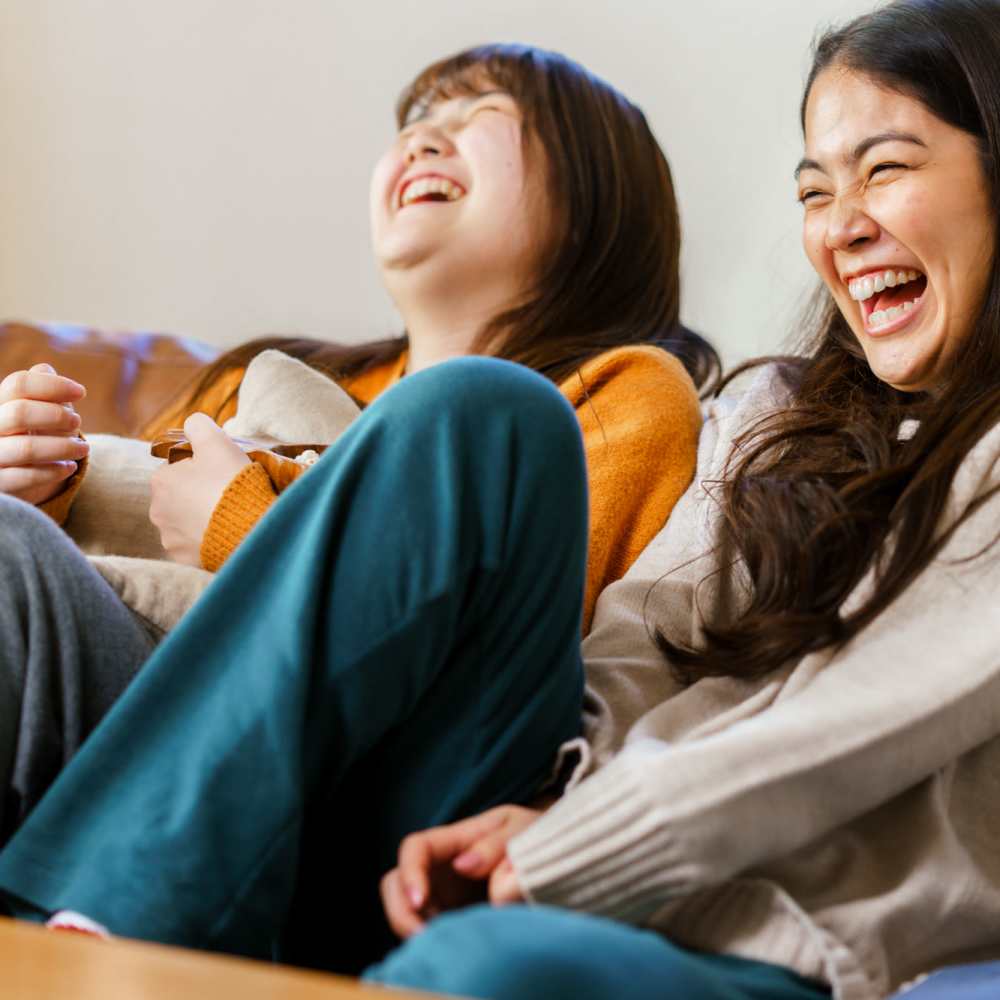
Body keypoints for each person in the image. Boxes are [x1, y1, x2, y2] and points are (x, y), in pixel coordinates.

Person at [5, 2, 998, 998]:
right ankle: (90, 921)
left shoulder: (620, 394)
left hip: (695, 900)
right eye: (814, 189)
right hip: (485, 801)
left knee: (470, 961)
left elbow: (848, 729)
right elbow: (637, 641)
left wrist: (570, 841)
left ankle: (101, 934)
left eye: (885, 168)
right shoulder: (774, 412)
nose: (838, 224)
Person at [0, 45, 713, 840]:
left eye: (480, 117)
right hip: (134, 685)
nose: (422, 140)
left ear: (595, 197)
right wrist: (49, 482)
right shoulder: (263, 374)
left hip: (346, 761)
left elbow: (516, 636)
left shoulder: (619, 393)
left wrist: (244, 526)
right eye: (415, 123)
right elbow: (133, 531)